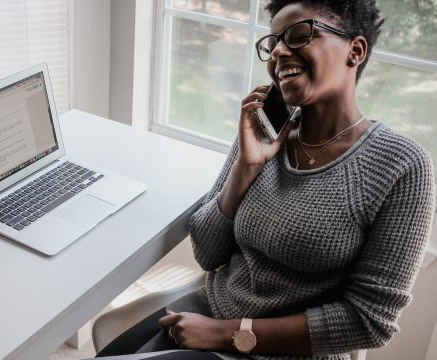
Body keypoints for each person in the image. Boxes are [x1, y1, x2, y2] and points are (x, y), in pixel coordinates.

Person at [92, 0, 436, 359]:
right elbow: (208, 254)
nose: (280, 52)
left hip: (283, 350)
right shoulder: (264, 135)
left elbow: (369, 321)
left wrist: (228, 334)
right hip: (209, 308)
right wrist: (246, 165)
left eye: (300, 36)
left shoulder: (403, 166)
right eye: (272, 45)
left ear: (355, 50)